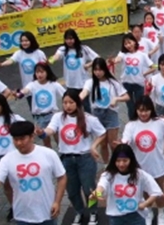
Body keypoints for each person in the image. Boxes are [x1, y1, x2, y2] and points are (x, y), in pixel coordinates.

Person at [38, 90, 106, 225]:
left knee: (89, 188)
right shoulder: (58, 117)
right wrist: (42, 133)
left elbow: (102, 133)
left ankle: (93, 212)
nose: (68, 106)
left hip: (85, 158)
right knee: (72, 190)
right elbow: (50, 130)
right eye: (65, 103)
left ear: (77, 103)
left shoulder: (89, 118)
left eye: (71, 102)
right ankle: (79, 212)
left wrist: (93, 146)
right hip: (66, 159)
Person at [0, 121, 67, 225]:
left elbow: (62, 177)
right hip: (22, 215)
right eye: (15, 139)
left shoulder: (48, 154)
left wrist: (57, 201)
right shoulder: (7, 159)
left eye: (22, 139)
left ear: (32, 137)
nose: (19, 143)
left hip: (47, 212)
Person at [120, 97, 164, 225]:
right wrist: (123, 145)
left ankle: (161, 212)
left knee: (158, 190)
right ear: (135, 110)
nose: (143, 113)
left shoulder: (160, 122)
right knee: (145, 190)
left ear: (151, 110)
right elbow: (126, 140)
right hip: (140, 165)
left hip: (158, 163)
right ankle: (149, 211)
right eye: (140, 110)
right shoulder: (131, 125)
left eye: (146, 110)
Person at [90, 144, 163, 225]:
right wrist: (97, 193)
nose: (121, 164)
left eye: (125, 161)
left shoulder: (140, 175)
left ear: (131, 160)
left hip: (136, 215)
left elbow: (156, 191)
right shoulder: (109, 175)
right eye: (118, 161)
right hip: (116, 217)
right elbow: (102, 185)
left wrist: (145, 204)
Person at [80, 58, 129, 163]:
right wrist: (76, 100)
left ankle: (117, 162)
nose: (98, 72)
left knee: (113, 143)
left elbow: (126, 96)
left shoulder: (113, 83)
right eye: (95, 70)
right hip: (97, 114)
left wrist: (116, 99)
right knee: (103, 144)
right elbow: (84, 93)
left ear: (105, 69)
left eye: (100, 69)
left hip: (111, 113)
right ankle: (107, 164)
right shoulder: (90, 82)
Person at [0, 94, 24, 221]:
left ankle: (23, 203)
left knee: (17, 181)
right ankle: (13, 207)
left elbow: (27, 126)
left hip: (12, 155)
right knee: (6, 185)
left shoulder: (12, 118)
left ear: (3, 105)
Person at [17, 62, 65, 148]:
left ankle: (62, 157)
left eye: (42, 72)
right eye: (37, 72)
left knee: (58, 140)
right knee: (46, 142)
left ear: (47, 72)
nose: (39, 74)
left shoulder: (53, 84)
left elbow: (65, 95)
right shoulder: (33, 84)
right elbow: (26, 90)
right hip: (39, 118)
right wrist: (19, 94)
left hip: (52, 115)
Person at [0, 32, 47, 109]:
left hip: (40, 86)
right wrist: (1, 64)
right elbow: (11, 60)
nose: (24, 43)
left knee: (44, 109)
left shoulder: (39, 53)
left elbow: (45, 68)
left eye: (26, 41)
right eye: (22, 41)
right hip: (27, 88)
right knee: (33, 110)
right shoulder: (19, 53)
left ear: (32, 41)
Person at [49, 29, 98, 113]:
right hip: (70, 84)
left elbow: (97, 58)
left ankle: (88, 122)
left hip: (83, 83)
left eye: (71, 38)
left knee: (85, 105)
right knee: (73, 105)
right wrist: (51, 60)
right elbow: (57, 56)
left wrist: (88, 65)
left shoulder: (84, 49)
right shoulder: (63, 49)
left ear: (75, 38)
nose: (69, 41)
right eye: (67, 39)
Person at [109, 33, 154, 119]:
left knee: (139, 105)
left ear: (134, 42)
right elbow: (118, 59)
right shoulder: (123, 53)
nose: (128, 45)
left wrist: (144, 74)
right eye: (125, 44)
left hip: (139, 84)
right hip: (126, 84)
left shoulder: (142, 55)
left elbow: (152, 67)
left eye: (129, 42)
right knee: (130, 106)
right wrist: (114, 60)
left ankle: (140, 121)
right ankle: (132, 122)